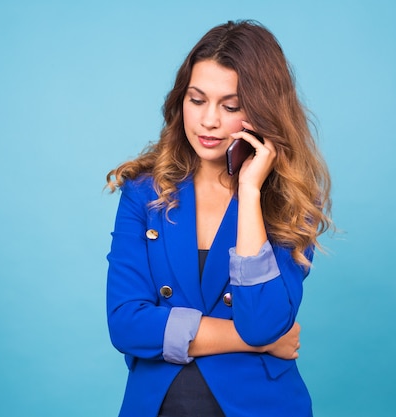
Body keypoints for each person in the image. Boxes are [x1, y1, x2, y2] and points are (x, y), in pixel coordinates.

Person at [105, 20, 332, 417]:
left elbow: (263, 321)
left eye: (230, 107)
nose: (208, 120)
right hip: (158, 406)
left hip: (261, 406)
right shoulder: (143, 192)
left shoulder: (288, 202)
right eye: (196, 100)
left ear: (263, 112)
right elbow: (126, 324)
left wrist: (250, 194)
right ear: (181, 101)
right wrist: (254, 342)